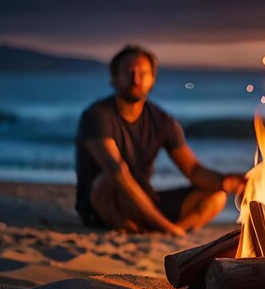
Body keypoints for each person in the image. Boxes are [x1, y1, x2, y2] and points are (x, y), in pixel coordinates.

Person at [75, 45, 245, 236]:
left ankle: (162, 229)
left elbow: (192, 170)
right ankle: (163, 229)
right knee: (108, 178)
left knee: (217, 195)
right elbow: (116, 171)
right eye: (129, 72)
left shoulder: (163, 121)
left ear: (152, 79)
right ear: (114, 78)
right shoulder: (97, 116)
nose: (136, 79)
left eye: (143, 73)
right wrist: (164, 224)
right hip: (105, 204)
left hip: (145, 201)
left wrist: (229, 181)